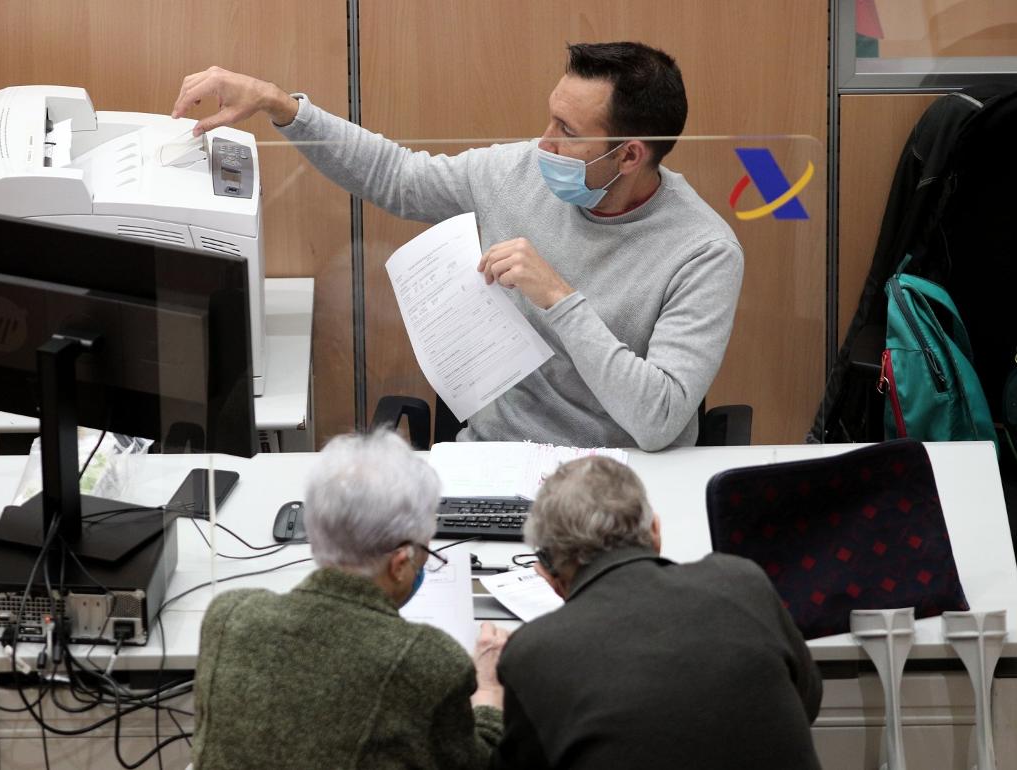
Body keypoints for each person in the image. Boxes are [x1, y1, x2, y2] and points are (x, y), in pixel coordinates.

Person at [173, 42, 743, 451]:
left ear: (630, 156)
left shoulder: (703, 251)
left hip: (620, 478)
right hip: (495, 460)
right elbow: (397, 176)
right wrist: (282, 105)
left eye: (568, 132)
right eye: (550, 118)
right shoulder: (520, 171)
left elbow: (659, 418)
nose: (542, 142)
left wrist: (560, 299)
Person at [191, 430, 508, 769]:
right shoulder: (430, 662)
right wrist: (489, 691)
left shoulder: (228, 615)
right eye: (426, 549)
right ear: (400, 564)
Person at [492, 456, 822, 769]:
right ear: (655, 531)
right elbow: (808, 700)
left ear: (548, 575)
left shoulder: (532, 653)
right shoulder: (743, 582)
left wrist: (487, 697)